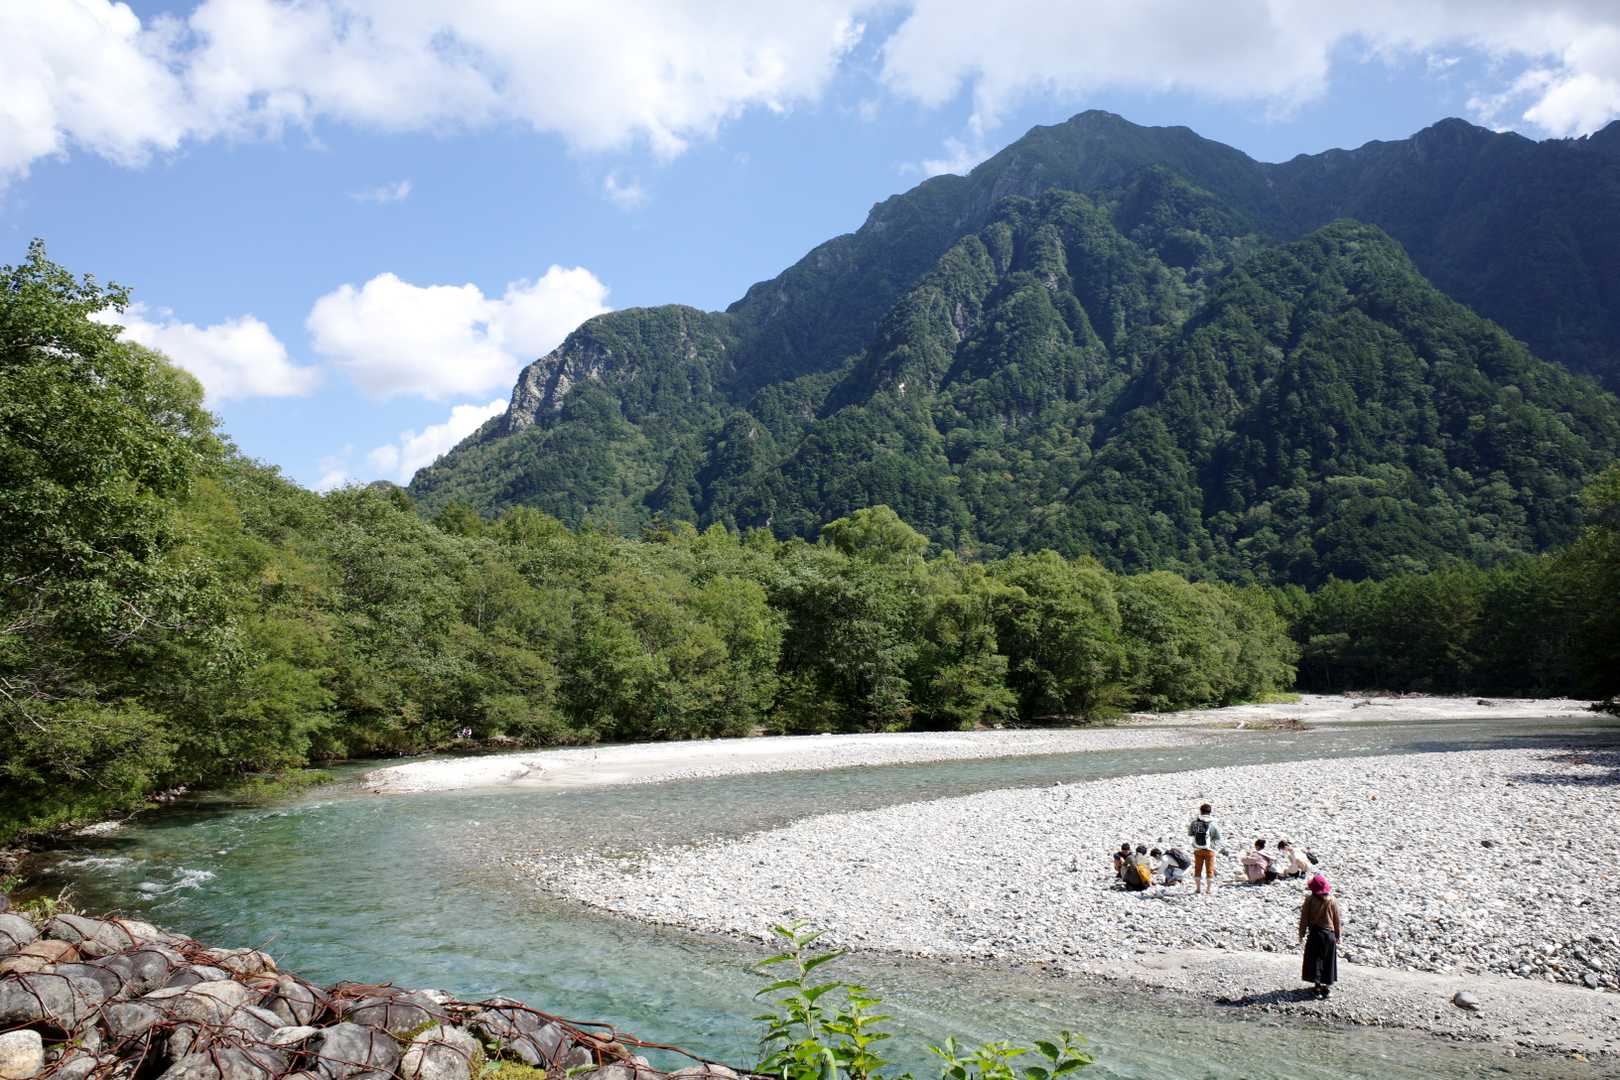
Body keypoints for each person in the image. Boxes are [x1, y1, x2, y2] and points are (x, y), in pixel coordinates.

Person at [1299, 874, 1342, 998]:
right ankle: (1327, 988)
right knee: (1328, 961)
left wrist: (1301, 933)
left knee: (1316, 961)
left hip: (1315, 934)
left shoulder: (1309, 900)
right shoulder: (1332, 900)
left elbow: (1304, 919)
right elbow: (1336, 920)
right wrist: (1338, 935)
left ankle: (1317, 988)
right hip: (1329, 935)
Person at [1188, 803, 1222, 894]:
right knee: (1209, 869)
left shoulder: (1194, 823)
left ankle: (1198, 889)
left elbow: (1190, 834)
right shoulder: (1213, 824)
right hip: (1209, 850)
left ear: (1201, 811)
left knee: (1197, 869)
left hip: (1198, 849)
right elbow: (1217, 838)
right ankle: (1208, 889)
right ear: (1210, 812)